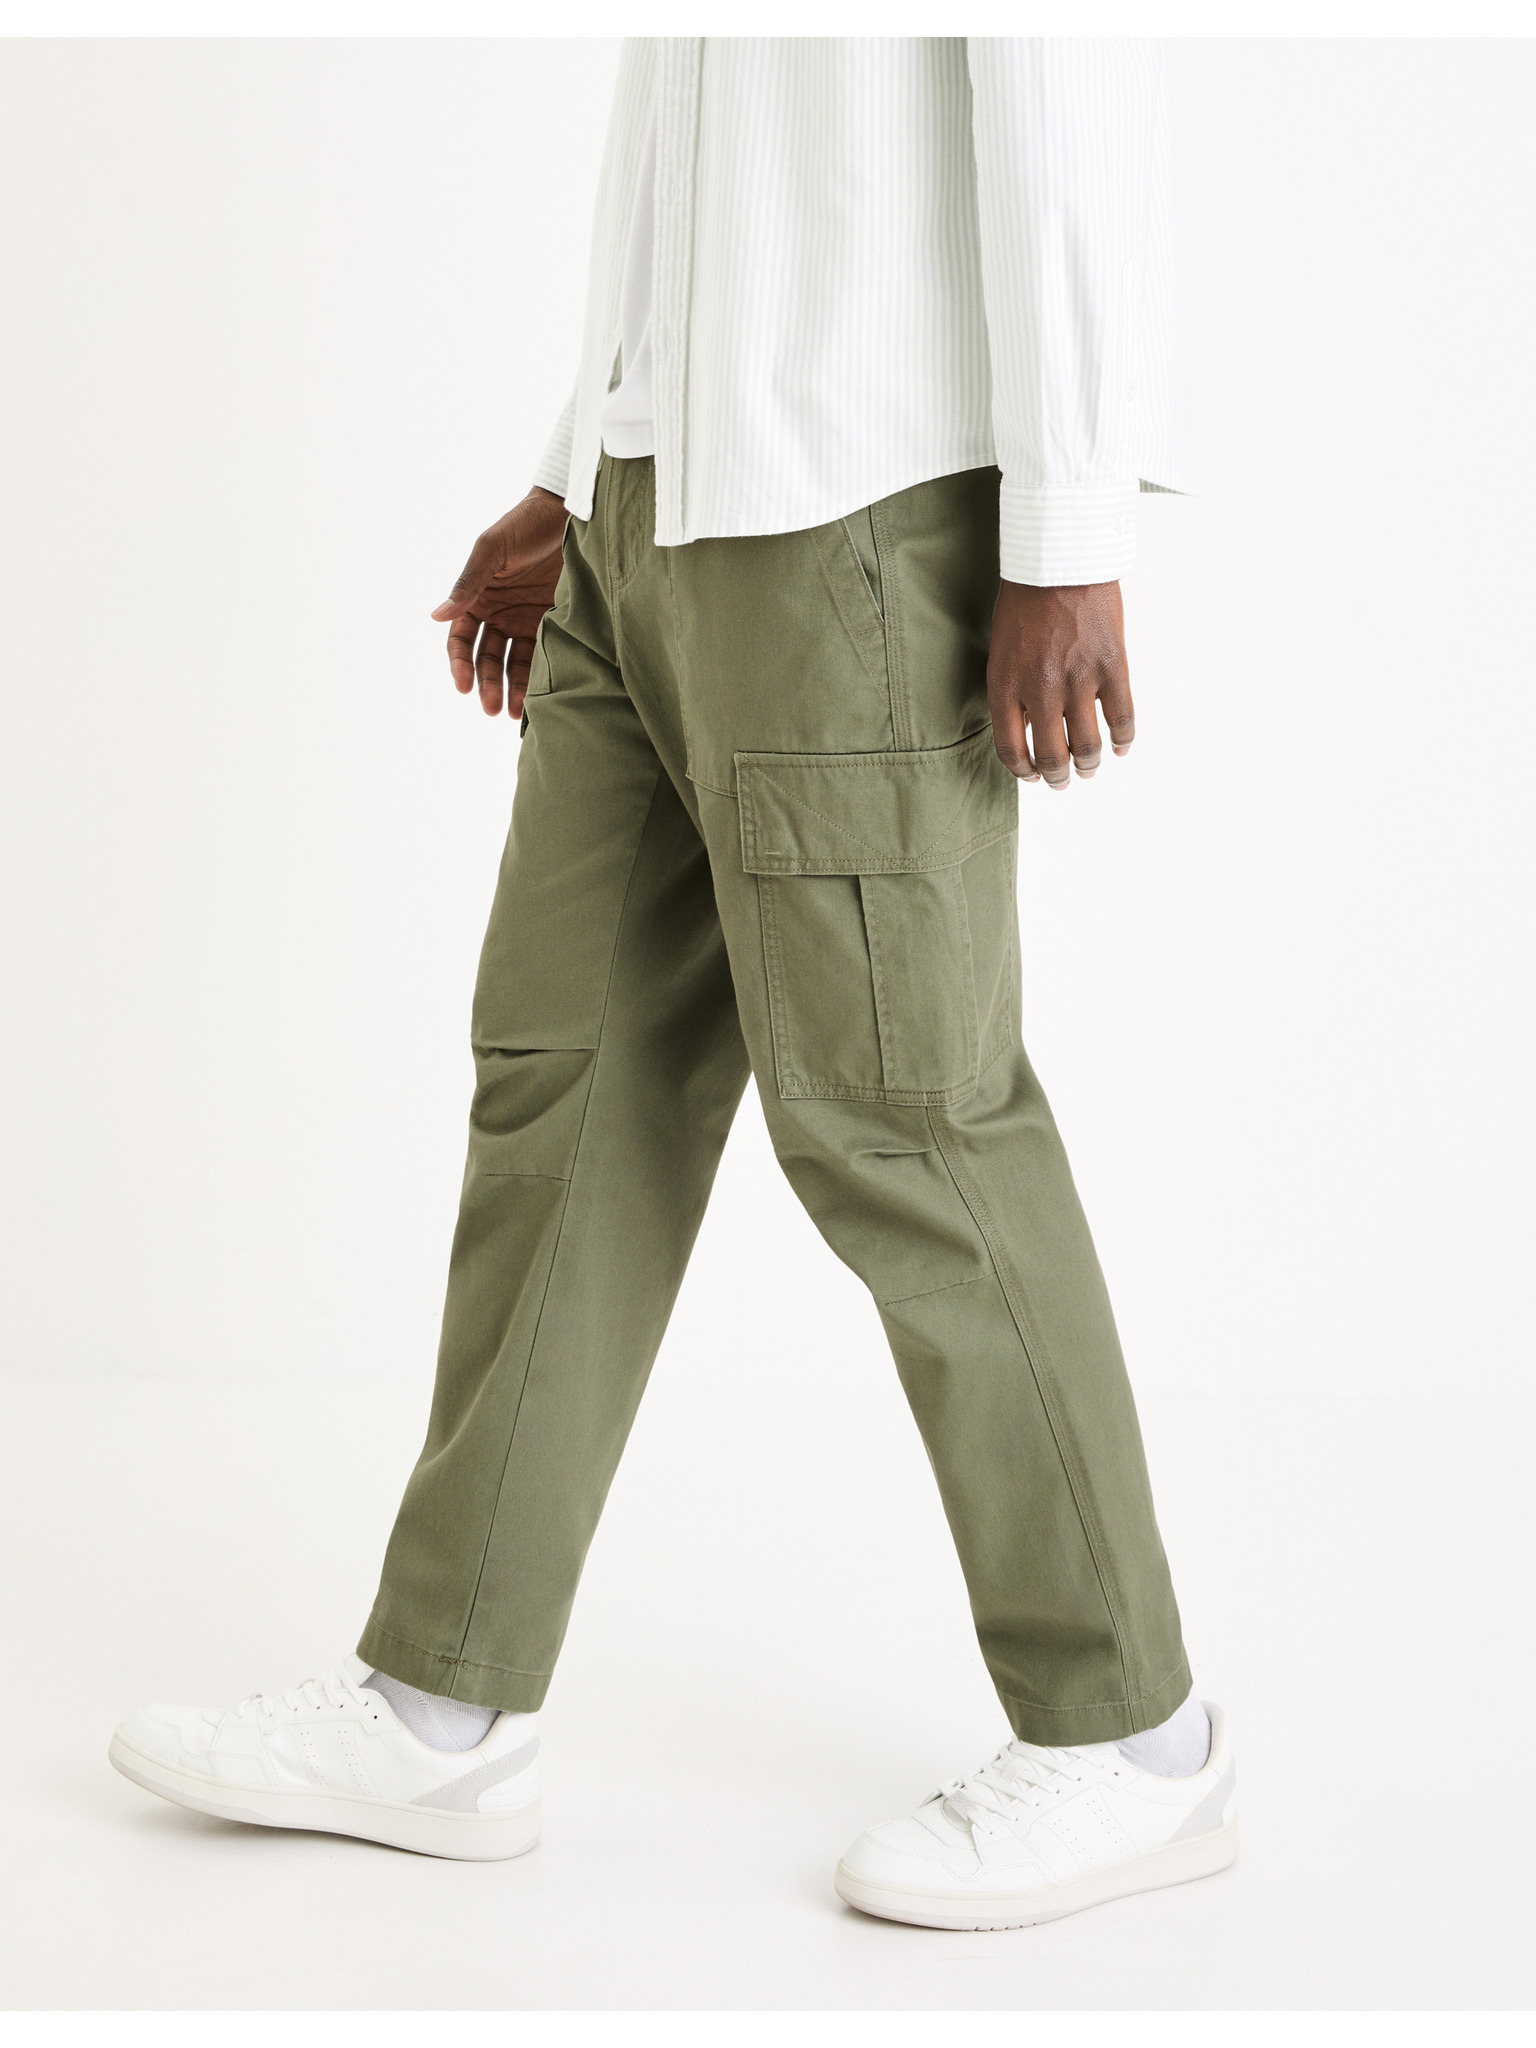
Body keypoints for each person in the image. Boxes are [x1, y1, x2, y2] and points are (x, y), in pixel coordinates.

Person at [110, 37, 1237, 1931]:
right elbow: (696, 124)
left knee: (908, 1118)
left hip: (851, 508)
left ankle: (1136, 1740)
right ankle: (443, 1704)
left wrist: (1070, 530)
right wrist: (584, 461)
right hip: (652, 508)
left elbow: (1071, 82)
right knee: (566, 1082)